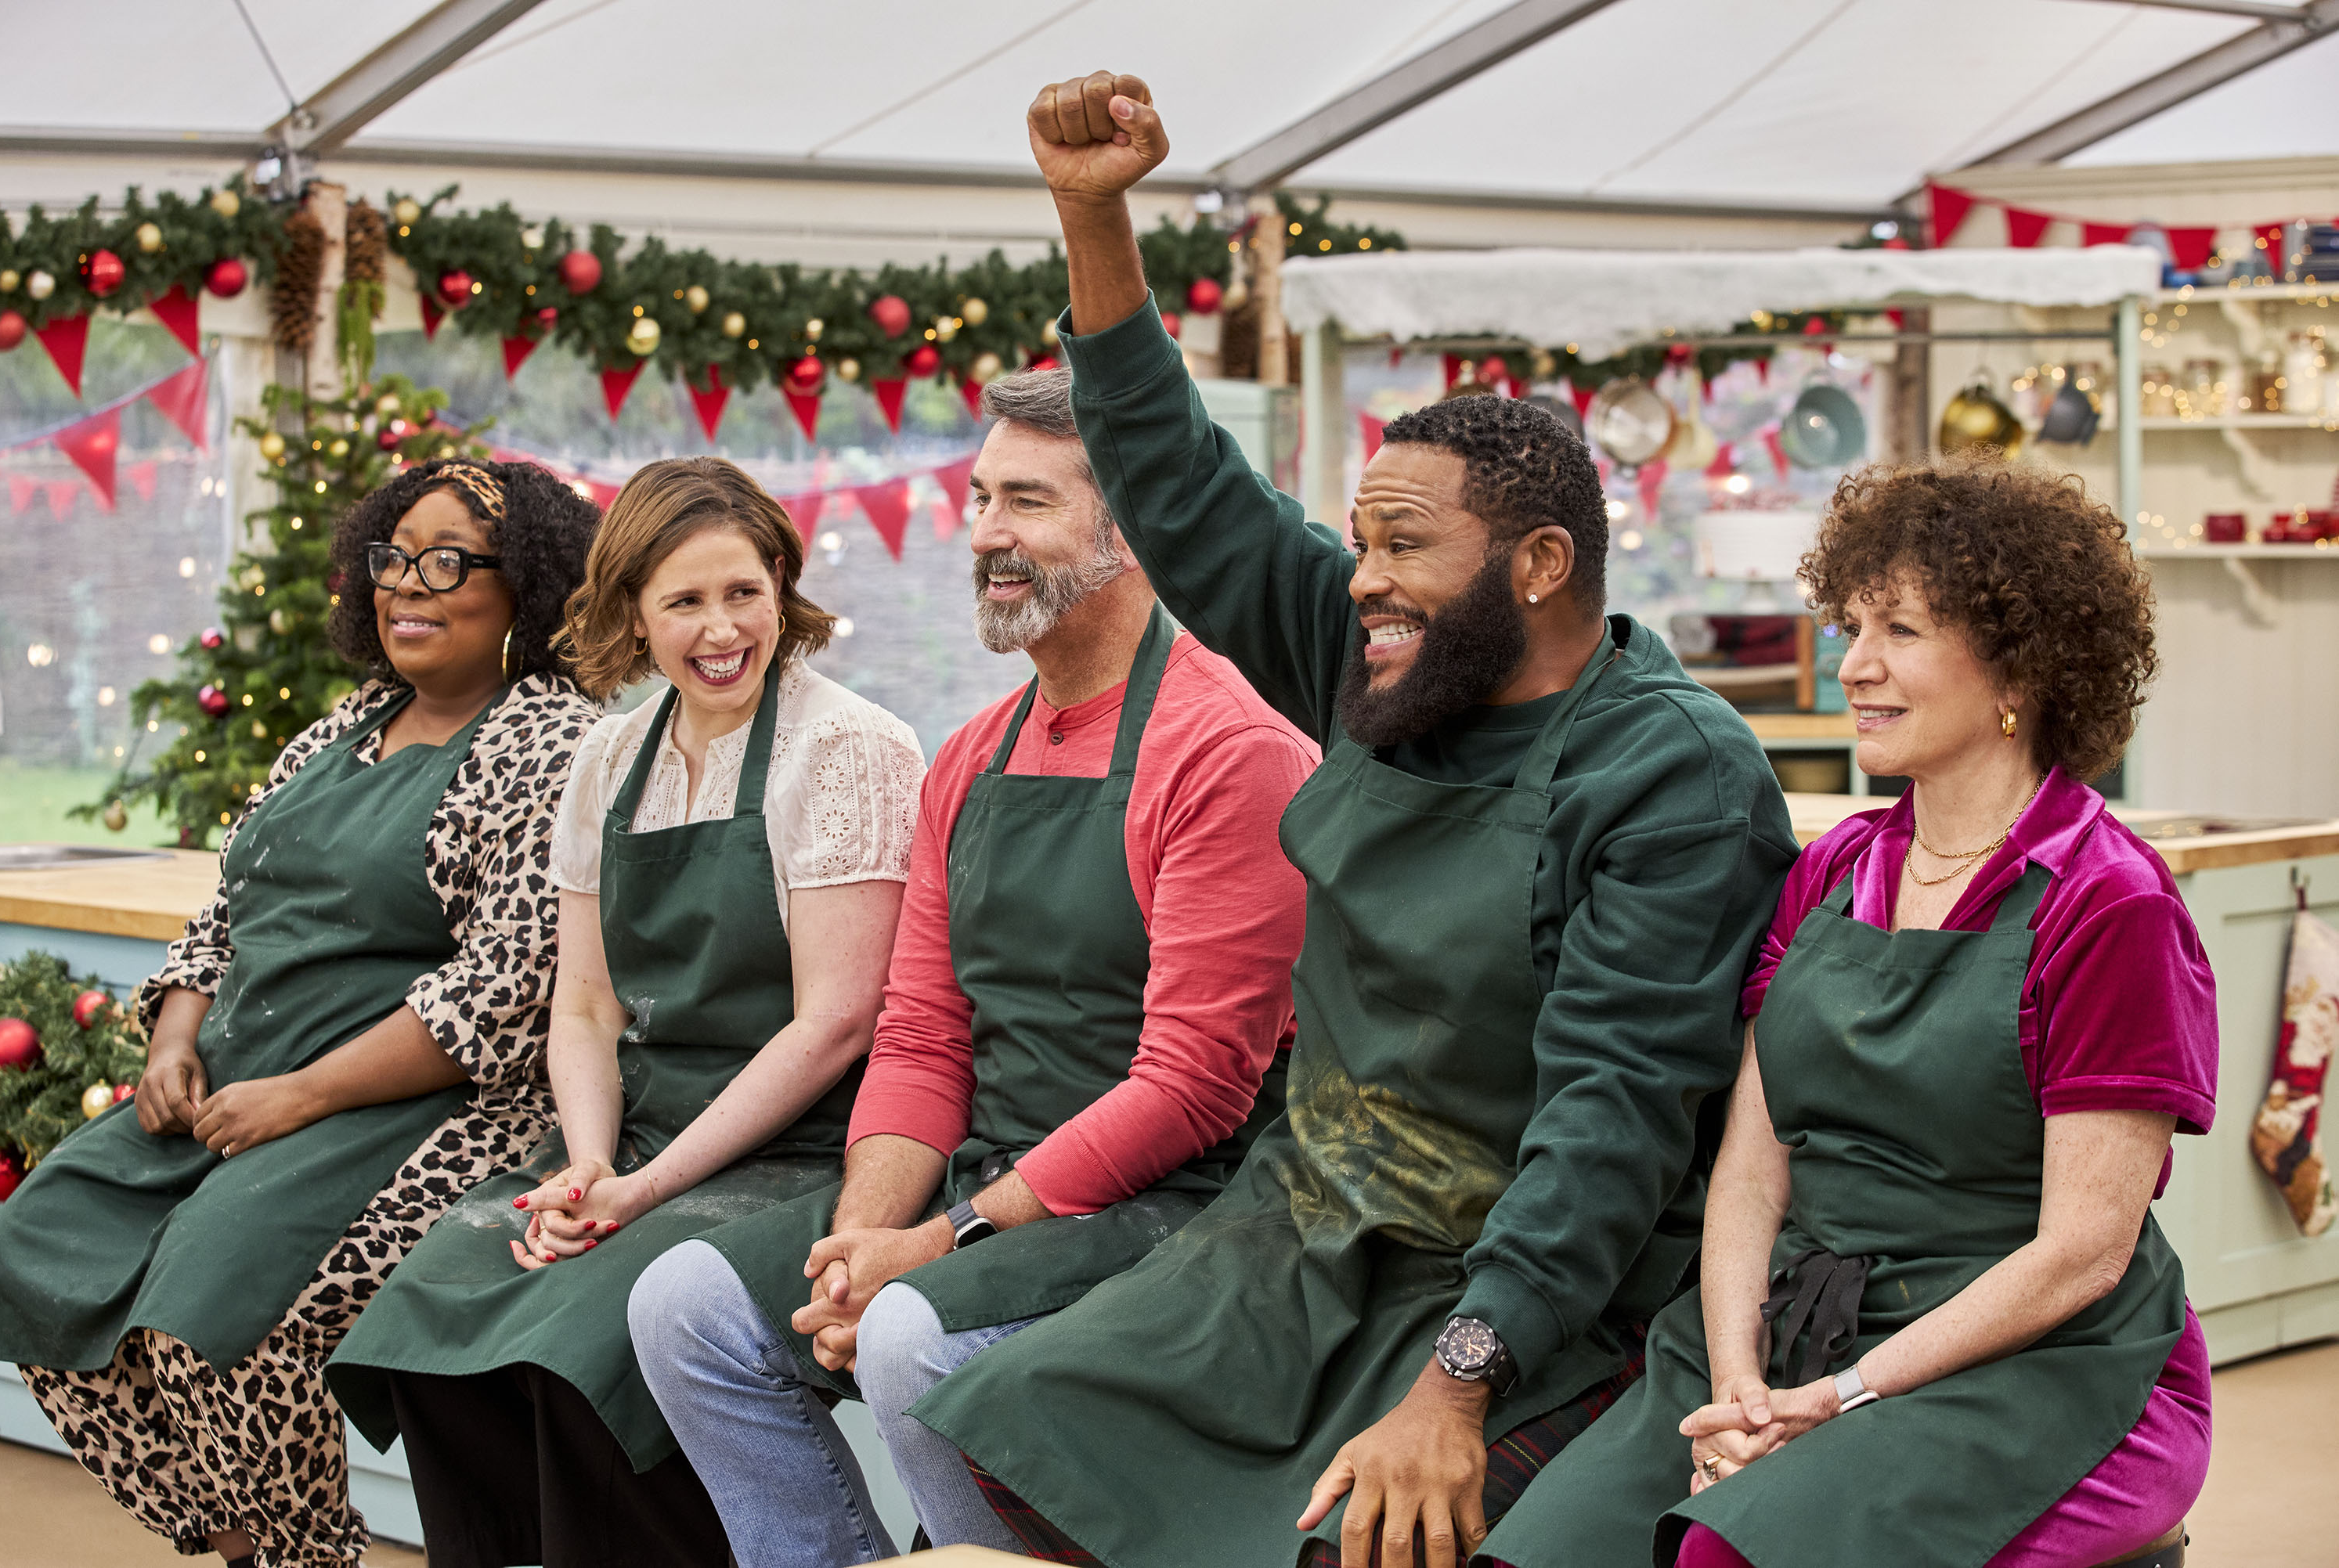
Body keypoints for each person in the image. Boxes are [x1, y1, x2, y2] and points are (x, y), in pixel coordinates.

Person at [906, 73, 1800, 1568]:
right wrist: (1092, 211)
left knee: (1358, 1540)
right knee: (1007, 1430)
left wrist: (1462, 1382)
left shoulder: (1669, 777)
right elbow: (1179, 482)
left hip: (1532, 1283)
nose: (1362, 578)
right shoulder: (1368, 653)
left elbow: (1612, 1118)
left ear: (1535, 565)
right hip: (1298, 1232)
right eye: (1358, 537)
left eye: (1403, 545)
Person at [623, 366, 1317, 1565]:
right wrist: (860, 1239)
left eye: (1027, 503)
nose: (985, 533)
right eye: (981, 496)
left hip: (1191, 1203)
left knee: (911, 1336)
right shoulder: (970, 757)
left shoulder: (1228, 748)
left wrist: (938, 1249)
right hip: (999, 1178)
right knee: (683, 1306)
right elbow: (923, 1034)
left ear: (1132, 527)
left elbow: (1197, 1084)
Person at [1477, 456, 2216, 1568]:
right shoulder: (1831, 871)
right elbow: (1751, 1168)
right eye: (1849, 624)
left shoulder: (2108, 904)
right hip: (1787, 1325)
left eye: (1901, 632)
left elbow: (2079, 1256)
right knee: (1533, 1554)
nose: (1853, 666)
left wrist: (1839, 1395)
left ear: (2023, 660)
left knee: (1722, 1555)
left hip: (2022, 1361)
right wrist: (1736, 1377)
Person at [0, 459, 601, 1568]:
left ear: (530, 589)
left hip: (408, 1104)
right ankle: (262, 1549)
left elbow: (504, 990)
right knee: (33, 1250)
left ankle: (296, 1554)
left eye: (448, 560)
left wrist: (302, 1095)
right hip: (233, 1081)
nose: (407, 584)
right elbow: (222, 917)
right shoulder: (335, 733)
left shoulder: (550, 743)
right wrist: (174, 1041)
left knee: (210, 1307)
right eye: (393, 556)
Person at [321, 457, 922, 1568]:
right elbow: (586, 1004)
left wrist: (641, 1193)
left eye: (742, 591)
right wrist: (589, 1167)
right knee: (439, 1298)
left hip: (802, 1148)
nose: (719, 629)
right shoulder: (607, 757)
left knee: (585, 1339)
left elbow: (834, 1022)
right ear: (632, 612)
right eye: (683, 601)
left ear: (782, 582)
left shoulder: (849, 750)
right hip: (638, 1134)